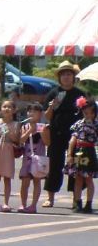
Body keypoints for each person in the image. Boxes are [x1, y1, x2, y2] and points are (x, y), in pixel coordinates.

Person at [42, 60, 84, 208]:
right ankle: (50, 197)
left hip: (75, 134)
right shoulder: (54, 93)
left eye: (68, 74)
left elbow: (87, 114)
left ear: (73, 76)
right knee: (54, 164)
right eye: (63, 75)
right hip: (56, 132)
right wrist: (51, 107)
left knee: (75, 165)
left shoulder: (80, 94)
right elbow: (47, 116)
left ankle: (75, 198)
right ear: (59, 77)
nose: (66, 77)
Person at [64, 96, 98, 213]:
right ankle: (77, 202)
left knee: (88, 178)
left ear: (94, 113)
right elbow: (72, 140)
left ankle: (89, 204)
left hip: (90, 151)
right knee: (78, 178)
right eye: (85, 113)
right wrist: (69, 154)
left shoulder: (96, 125)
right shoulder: (78, 124)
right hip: (79, 151)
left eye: (91, 113)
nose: (88, 115)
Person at [17, 103, 49, 214]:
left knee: (37, 181)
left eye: (35, 112)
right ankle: (23, 204)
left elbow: (47, 142)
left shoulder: (43, 127)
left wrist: (42, 131)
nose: (31, 114)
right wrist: (29, 131)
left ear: (40, 114)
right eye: (30, 111)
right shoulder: (25, 127)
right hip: (27, 158)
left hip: (38, 158)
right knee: (25, 181)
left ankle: (33, 205)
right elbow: (20, 140)